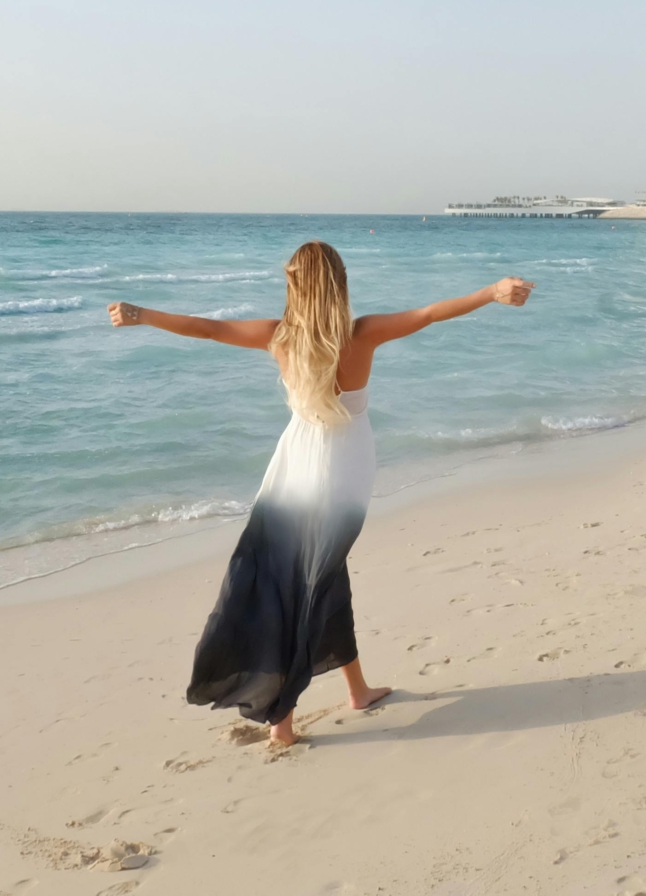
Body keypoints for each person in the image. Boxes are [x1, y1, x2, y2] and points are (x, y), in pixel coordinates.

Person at [108, 242, 534, 746]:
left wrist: (142, 315)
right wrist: (491, 291)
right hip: (342, 481)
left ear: (295, 286)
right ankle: (287, 720)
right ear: (339, 284)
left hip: (293, 473)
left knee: (308, 580)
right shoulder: (364, 334)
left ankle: (351, 691)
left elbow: (208, 328)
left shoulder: (278, 337)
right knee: (312, 586)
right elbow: (429, 314)